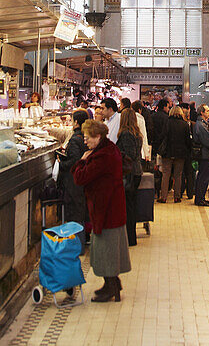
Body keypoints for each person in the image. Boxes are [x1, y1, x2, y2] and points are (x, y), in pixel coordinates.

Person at [73, 119, 130, 302]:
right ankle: (112, 283)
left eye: (87, 137)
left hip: (106, 209)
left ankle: (111, 287)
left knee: (106, 249)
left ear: (98, 137)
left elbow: (80, 178)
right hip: (110, 207)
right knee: (107, 248)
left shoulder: (102, 156)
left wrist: (81, 162)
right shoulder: (108, 149)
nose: (84, 141)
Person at [57, 110, 90, 249]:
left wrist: (61, 163)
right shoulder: (84, 137)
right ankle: (82, 241)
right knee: (81, 211)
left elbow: (75, 160)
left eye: (72, 120)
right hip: (82, 181)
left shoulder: (76, 139)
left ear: (76, 122)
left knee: (75, 213)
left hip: (74, 182)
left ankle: (77, 245)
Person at [115, 109, 144, 246]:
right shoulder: (136, 133)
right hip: (136, 171)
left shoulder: (126, 134)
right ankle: (130, 237)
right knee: (131, 204)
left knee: (128, 206)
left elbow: (129, 155)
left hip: (129, 173)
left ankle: (129, 238)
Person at [158, 106, 192, 203]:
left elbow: (162, 136)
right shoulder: (185, 125)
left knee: (166, 174)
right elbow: (187, 140)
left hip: (167, 153)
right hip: (180, 153)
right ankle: (177, 197)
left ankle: (163, 197)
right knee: (178, 175)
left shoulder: (167, 122)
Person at [191, 104, 209, 207]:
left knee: (202, 176)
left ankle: (200, 198)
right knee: (203, 177)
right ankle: (200, 199)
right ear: (202, 112)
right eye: (207, 111)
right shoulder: (201, 125)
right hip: (204, 154)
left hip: (204, 154)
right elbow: (207, 141)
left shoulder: (202, 124)